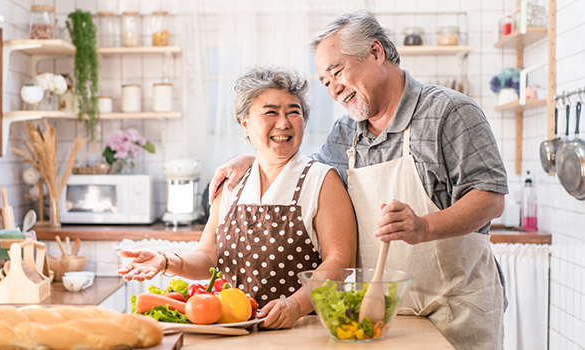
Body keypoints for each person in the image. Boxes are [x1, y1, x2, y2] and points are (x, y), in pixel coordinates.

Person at [209, 11, 507, 350]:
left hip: (454, 311)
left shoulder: (448, 112)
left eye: (337, 72)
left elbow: (490, 197)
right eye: (325, 81)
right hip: (375, 318)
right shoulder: (346, 133)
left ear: (376, 53)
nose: (334, 89)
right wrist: (252, 158)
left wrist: (423, 227)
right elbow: (300, 171)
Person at [118, 65, 357, 330]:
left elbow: (340, 261)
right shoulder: (232, 183)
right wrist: (166, 260)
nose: (284, 123)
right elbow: (209, 257)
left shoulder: (322, 180)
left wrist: (295, 306)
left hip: (304, 330)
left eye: (294, 112)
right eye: (270, 112)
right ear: (245, 123)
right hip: (234, 331)